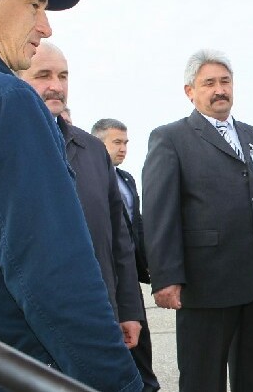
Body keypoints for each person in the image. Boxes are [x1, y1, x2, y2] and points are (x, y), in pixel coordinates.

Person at [0, 0, 141, 391]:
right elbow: (54, 278)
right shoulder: (2, 100)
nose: (45, 26)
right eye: (33, 4)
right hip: (10, 369)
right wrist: (118, 383)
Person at [143, 49, 253, 392]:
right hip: (206, 282)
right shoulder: (171, 138)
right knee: (202, 377)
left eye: (225, 81)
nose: (219, 90)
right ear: (190, 91)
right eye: (209, 83)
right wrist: (166, 276)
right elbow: (160, 212)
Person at [17, 42, 144, 352]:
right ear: (16, 79)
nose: (56, 86)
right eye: (43, 75)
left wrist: (129, 309)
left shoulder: (93, 151)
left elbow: (119, 239)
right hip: (25, 322)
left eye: (63, 76)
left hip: (97, 313)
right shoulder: (1, 143)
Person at [92, 118, 161, 392]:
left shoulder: (126, 179)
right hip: (105, 276)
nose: (123, 148)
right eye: (117, 142)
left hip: (130, 276)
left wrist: (152, 265)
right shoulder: (89, 179)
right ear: (97, 144)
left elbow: (136, 226)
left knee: (140, 340)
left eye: (126, 143)